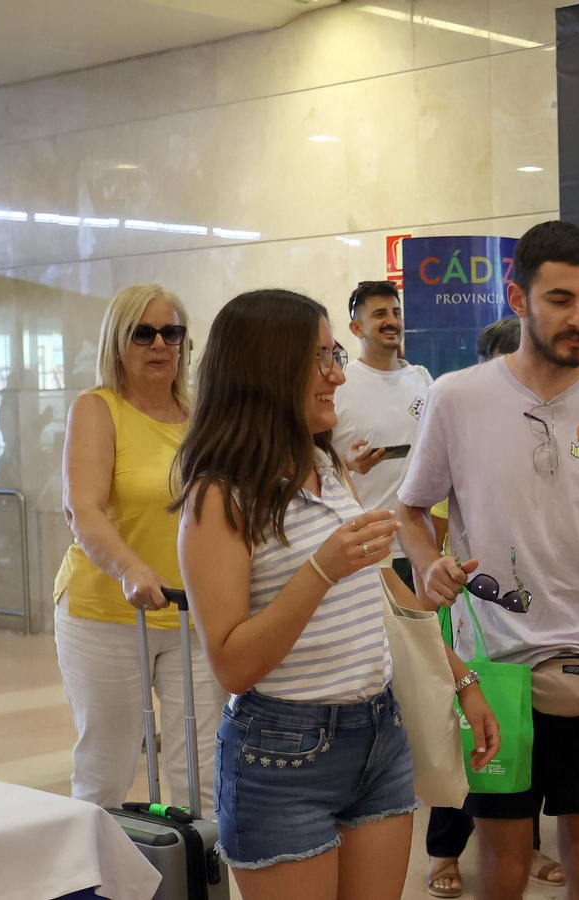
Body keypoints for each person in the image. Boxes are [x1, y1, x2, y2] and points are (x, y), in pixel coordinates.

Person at [175, 288, 499, 900]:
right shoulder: (218, 497)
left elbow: (386, 607)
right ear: (267, 371)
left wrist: (462, 678)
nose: (335, 376)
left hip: (379, 733)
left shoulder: (329, 468)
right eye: (320, 360)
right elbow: (233, 663)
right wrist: (321, 569)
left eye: (336, 357)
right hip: (281, 753)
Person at [397, 220, 579, 900]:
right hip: (492, 666)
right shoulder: (457, 397)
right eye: (561, 299)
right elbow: (411, 512)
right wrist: (429, 565)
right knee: (502, 855)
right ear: (518, 299)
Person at [53, 284, 226, 811]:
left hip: (191, 614)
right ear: (117, 342)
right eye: (144, 333)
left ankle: (196, 881)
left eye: (171, 333)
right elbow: (82, 509)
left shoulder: (204, 416)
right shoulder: (97, 408)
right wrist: (130, 568)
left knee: (200, 773)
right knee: (107, 768)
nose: (160, 345)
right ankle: (96, 887)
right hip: (106, 613)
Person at [425, 316, 566, 898]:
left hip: (538, 628)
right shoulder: (459, 425)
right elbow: (429, 536)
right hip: (472, 626)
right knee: (468, 746)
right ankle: (444, 852)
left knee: (517, 745)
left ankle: (525, 844)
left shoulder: (545, 436)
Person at [331, 280, 434, 590]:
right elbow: (311, 459)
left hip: (421, 545)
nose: (391, 321)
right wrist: (348, 463)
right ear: (356, 328)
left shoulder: (423, 379)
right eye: (379, 314)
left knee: (425, 636)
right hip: (366, 548)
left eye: (396, 312)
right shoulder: (338, 386)